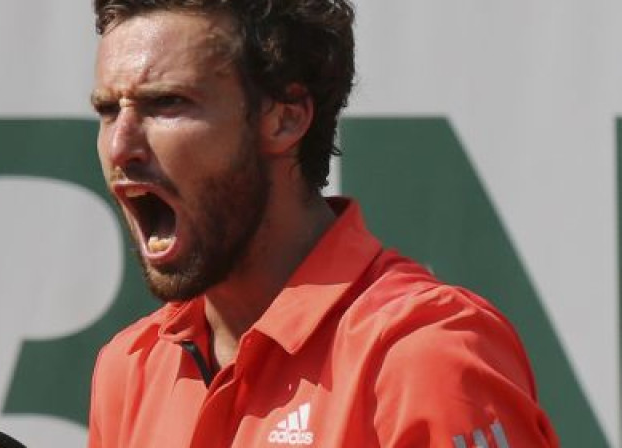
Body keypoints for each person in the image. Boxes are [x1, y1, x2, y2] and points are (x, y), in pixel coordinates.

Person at [87, 0, 560, 446]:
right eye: (108, 110)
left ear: (285, 120)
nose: (119, 147)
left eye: (167, 103)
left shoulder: (426, 351)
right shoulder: (129, 367)